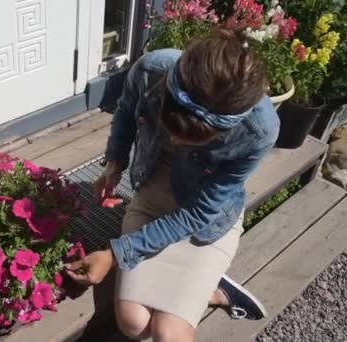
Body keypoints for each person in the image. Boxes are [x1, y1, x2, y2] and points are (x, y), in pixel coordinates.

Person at [65, 29, 279, 341]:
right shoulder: (152, 69)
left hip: (204, 224)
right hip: (152, 202)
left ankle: (211, 286)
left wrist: (115, 253)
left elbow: (197, 214)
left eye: (194, 139)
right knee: (134, 324)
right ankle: (208, 288)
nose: (175, 141)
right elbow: (125, 112)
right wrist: (115, 162)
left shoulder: (260, 131)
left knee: (169, 333)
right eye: (171, 128)